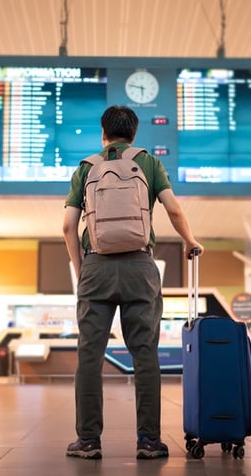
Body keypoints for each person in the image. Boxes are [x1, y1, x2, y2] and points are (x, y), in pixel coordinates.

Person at [63, 105, 203, 460]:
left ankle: (89, 440)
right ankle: (148, 440)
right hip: (141, 265)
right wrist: (189, 241)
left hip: (96, 265)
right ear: (134, 134)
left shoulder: (86, 168)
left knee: (90, 355)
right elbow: (173, 210)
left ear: (103, 133)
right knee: (145, 355)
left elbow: (67, 226)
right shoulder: (149, 163)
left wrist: (82, 269)